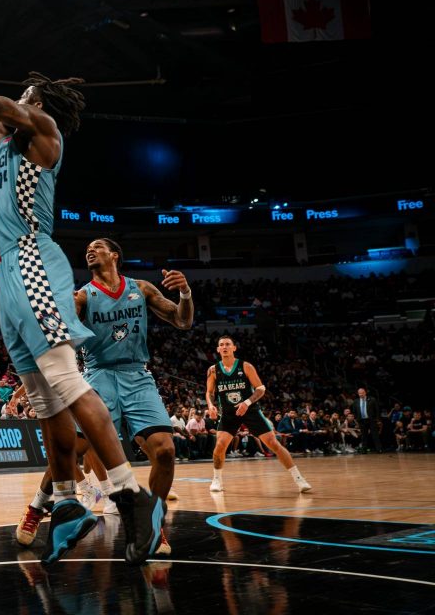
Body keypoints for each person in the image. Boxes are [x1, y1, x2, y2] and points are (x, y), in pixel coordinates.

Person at [0, 15, 163, 565]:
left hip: (31, 257)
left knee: (65, 380)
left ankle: (131, 495)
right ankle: (68, 502)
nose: (16, 97)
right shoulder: (7, 140)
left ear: (36, 101)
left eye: (23, 93)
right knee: (45, 397)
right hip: (6, 270)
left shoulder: (42, 128)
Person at [74, 237, 193, 555]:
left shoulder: (141, 288)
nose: (90, 250)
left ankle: (153, 526)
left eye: (97, 246)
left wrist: (185, 293)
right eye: (88, 248)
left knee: (165, 451)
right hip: (98, 374)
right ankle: (40, 507)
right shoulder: (83, 295)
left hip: (136, 375)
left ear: (114, 255)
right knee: (75, 448)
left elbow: (183, 320)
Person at [206, 335, 311, 493]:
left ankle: (299, 479)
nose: (225, 347)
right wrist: (210, 405)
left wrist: (247, 402)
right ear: (218, 349)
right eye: (221, 344)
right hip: (228, 413)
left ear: (234, 348)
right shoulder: (213, 370)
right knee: (220, 445)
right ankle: (217, 480)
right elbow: (209, 392)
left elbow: (261, 388)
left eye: (228, 344)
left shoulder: (245, 366)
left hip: (250, 410)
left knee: (273, 443)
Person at [354, 387, 382, 453]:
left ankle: (379, 449)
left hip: (371, 420)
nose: (361, 394)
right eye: (359, 393)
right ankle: (364, 449)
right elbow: (355, 411)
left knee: (375, 435)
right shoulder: (356, 401)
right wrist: (357, 419)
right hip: (362, 420)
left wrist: (378, 419)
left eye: (362, 393)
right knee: (364, 436)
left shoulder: (372, 399)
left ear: (365, 393)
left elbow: (377, 410)